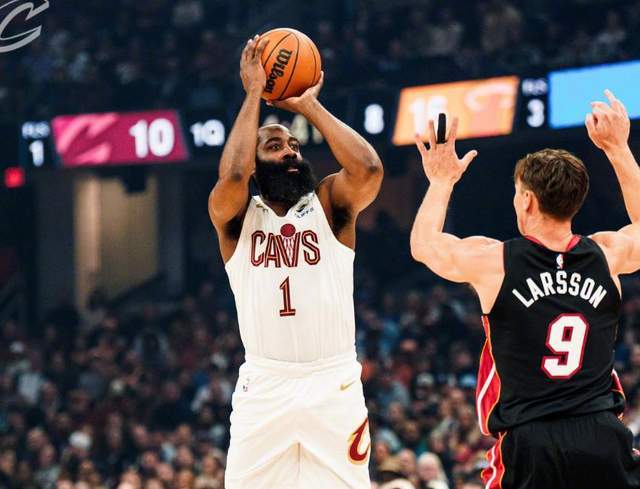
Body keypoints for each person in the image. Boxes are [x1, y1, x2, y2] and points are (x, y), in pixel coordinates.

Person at [409, 90, 640, 488]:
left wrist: (442, 180)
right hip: (601, 435)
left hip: (531, 440)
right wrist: (618, 150)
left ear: (528, 200)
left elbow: (424, 245)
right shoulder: (607, 255)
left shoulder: (495, 261)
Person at [208, 35, 383, 488]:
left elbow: (368, 170)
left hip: (333, 382)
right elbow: (232, 174)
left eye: (294, 146)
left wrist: (308, 107)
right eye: (274, 146)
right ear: (256, 164)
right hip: (265, 385)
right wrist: (254, 92)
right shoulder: (237, 219)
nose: (290, 151)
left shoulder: (328, 204)